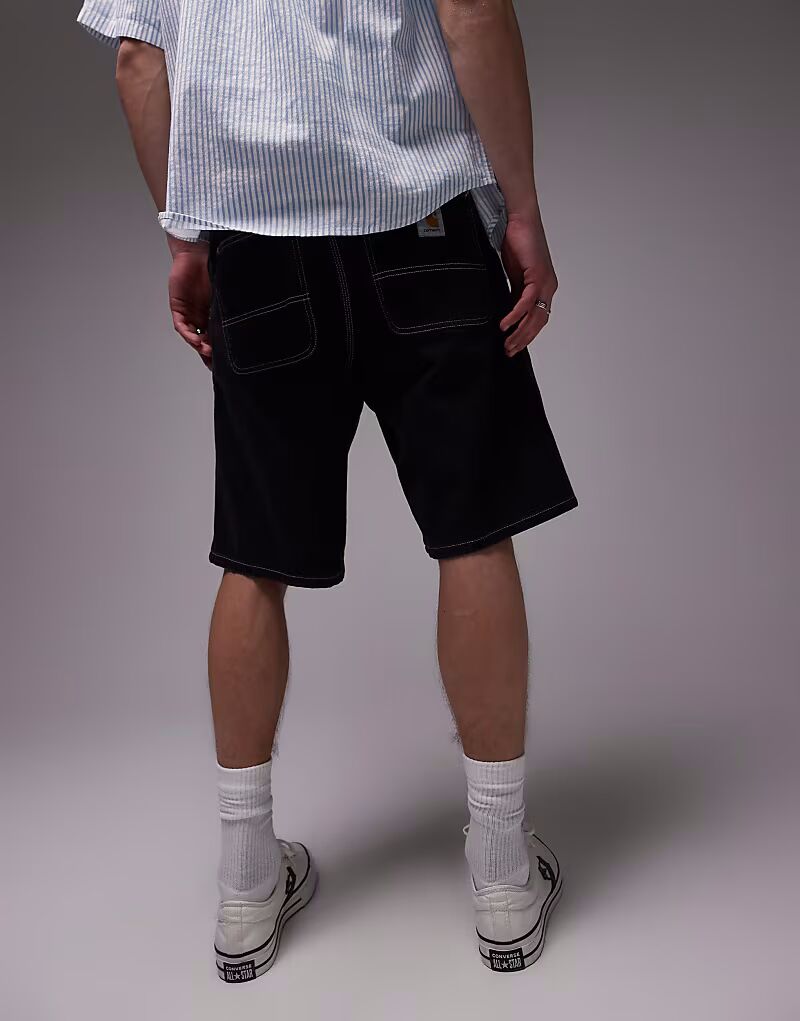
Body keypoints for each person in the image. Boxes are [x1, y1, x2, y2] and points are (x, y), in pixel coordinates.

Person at [76, 0, 578, 978]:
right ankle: (502, 871)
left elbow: (138, 58)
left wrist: (184, 238)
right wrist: (518, 207)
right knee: (473, 530)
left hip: (257, 243)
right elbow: (471, 8)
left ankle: (244, 885)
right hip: (422, 221)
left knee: (254, 558)